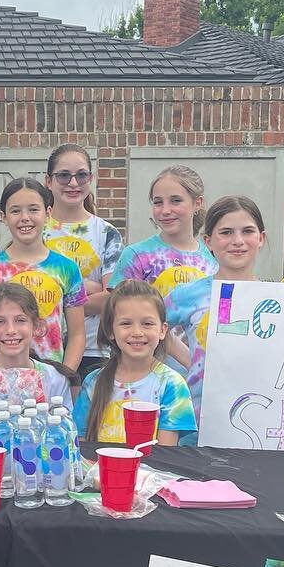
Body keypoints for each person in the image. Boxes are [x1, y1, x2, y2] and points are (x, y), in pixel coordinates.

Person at [163, 196, 268, 424]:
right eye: (226, 232)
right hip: (196, 422)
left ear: (261, 238)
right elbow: (151, 327)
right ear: (208, 241)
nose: (237, 241)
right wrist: (191, 360)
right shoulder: (187, 295)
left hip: (258, 421)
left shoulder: (275, 299)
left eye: (247, 231)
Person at [73, 280, 195, 445]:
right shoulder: (93, 382)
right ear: (110, 330)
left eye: (147, 324)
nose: (137, 332)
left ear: (162, 330)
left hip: (151, 470)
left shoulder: (172, 384)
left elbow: (167, 453)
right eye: (126, 323)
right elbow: (81, 446)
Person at [0, 178, 86, 368]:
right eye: (15, 211)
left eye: (33, 209)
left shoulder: (66, 269)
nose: (25, 217)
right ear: (3, 216)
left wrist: (65, 376)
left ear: (48, 213)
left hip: (52, 379)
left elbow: (77, 333)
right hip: (3, 377)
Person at [44, 143, 122, 381]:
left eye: (81, 175)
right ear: (48, 181)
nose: (73, 183)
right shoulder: (34, 230)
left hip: (93, 350)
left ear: (91, 178)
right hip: (41, 348)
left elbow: (112, 299)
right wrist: (85, 290)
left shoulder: (107, 233)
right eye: (64, 176)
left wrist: (55, 293)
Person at [0, 284, 76, 418]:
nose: (11, 330)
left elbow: (63, 432)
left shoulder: (55, 379)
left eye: (20, 320)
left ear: (36, 326)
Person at [108, 164, 218, 297]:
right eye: (158, 202)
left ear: (197, 203)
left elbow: (224, 311)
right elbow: (119, 311)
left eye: (176, 201)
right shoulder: (136, 256)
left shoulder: (215, 259)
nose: (165, 211)